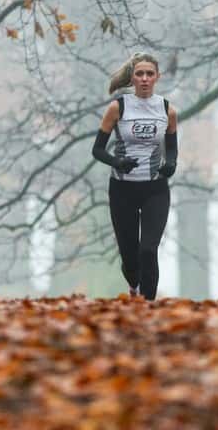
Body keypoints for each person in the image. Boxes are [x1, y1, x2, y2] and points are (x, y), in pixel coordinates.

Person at [91, 52, 178, 301]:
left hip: (155, 189)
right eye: (140, 74)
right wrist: (117, 162)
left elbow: (172, 148)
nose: (144, 78)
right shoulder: (117, 108)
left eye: (150, 74)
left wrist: (171, 164)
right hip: (122, 189)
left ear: (157, 77)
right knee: (130, 258)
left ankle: (148, 307)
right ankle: (134, 285)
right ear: (133, 77)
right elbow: (97, 150)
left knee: (148, 250)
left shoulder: (167, 110)